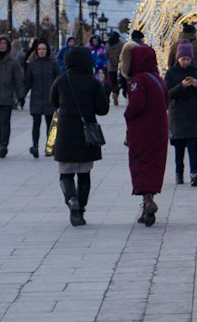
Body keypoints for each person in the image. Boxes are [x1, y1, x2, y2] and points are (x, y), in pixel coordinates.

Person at [49, 44, 110, 226]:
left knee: (65, 173)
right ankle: (81, 209)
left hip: (66, 134)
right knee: (84, 174)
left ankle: (71, 199)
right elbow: (103, 110)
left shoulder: (61, 81)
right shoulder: (93, 82)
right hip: (86, 136)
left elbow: (53, 102)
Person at [124, 44, 169, 224]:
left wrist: (127, 113)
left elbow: (137, 104)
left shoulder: (138, 80)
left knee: (140, 163)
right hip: (159, 130)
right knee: (153, 164)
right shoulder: (158, 78)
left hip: (142, 131)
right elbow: (166, 102)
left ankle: (148, 200)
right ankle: (147, 205)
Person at [165, 40, 197, 186]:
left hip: (193, 114)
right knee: (179, 147)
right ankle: (179, 173)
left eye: (188, 59)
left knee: (192, 145)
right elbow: (167, 93)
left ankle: (194, 172)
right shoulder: (171, 73)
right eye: (183, 59)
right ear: (178, 58)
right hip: (177, 114)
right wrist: (181, 86)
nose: (186, 62)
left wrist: (196, 84)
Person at [24, 39, 58, 157]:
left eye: (44, 49)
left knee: (51, 124)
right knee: (36, 123)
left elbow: (58, 80)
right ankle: (35, 146)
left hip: (50, 98)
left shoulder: (53, 64)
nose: (42, 51)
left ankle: (50, 147)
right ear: (36, 51)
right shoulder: (32, 65)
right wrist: (21, 96)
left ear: (47, 50)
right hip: (36, 98)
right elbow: (27, 82)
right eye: (39, 49)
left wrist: (60, 96)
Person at [105, 31, 125, 104]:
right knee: (118, 81)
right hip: (119, 66)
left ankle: (113, 91)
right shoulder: (121, 44)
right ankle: (116, 93)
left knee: (112, 80)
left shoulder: (108, 44)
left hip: (110, 66)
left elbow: (106, 55)